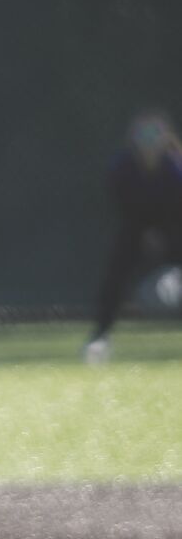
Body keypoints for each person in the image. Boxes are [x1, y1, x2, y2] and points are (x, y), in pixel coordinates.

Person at [83, 110, 182, 364]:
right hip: (135, 229)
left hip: (173, 229)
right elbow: (123, 204)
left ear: (165, 137)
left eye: (155, 133)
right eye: (144, 134)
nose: (149, 140)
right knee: (115, 277)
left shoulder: (174, 166)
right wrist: (146, 233)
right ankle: (100, 337)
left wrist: (164, 233)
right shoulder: (123, 167)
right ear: (133, 138)